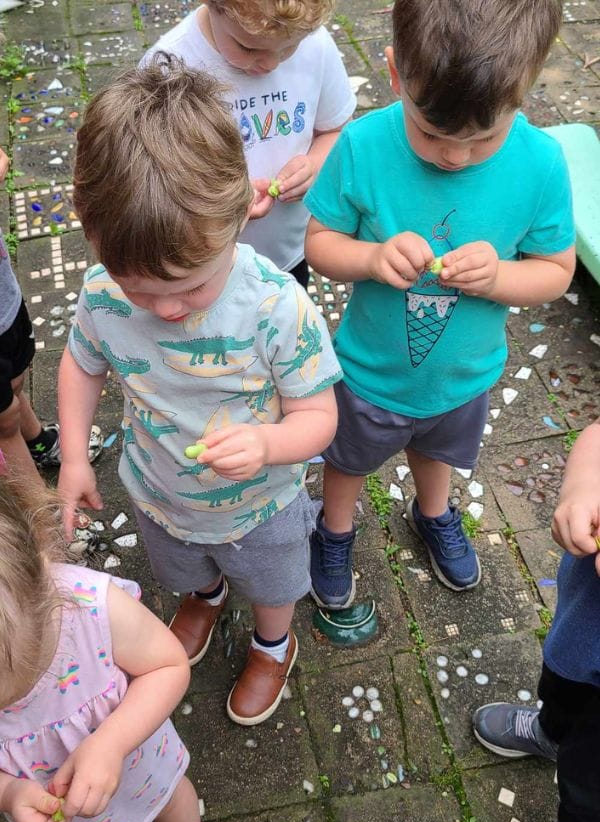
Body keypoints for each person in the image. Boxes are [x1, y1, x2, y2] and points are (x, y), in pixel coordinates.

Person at [57, 57, 341, 727]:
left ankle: (273, 642)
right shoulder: (103, 293)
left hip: (259, 505)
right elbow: (80, 364)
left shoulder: (275, 306)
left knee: (273, 585)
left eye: (190, 288)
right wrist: (73, 456)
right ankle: (204, 598)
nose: (168, 311)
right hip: (158, 490)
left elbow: (320, 417)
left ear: (242, 213)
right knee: (182, 565)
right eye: (141, 291)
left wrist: (270, 443)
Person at [304, 0, 576, 608]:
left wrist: (499, 276)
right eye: (430, 132)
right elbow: (320, 244)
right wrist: (372, 259)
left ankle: (433, 514)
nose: (454, 157)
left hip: (463, 377)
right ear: (396, 74)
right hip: (370, 374)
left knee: (438, 451)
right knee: (346, 461)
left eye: (484, 139)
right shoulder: (363, 145)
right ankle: (334, 529)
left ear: (525, 89)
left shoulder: (540, 165)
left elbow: (555, 273)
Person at [0, 475, 217, 822]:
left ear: (41, 578)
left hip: (137, 757)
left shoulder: (87, 605)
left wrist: (111, 743)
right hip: (39, 789)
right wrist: (9, 792)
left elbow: (169, 665)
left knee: (170, 799)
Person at [141, 0, 356, 289]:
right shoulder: (170, 66)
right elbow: (150, 180)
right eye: (248, 48)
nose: (270, 64)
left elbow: (335, 130)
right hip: (203, 265)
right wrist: (224, 202)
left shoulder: (314, 43)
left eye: (287, 49)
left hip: (287, 254)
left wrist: (315, 165)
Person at [473, 418, 600, 822]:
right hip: (586, 627)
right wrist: (583, 487)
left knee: (592, 774)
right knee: (562, 687)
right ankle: (553, 732)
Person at [0, 148, 103, 480]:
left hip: (4, 301)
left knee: (16, 380)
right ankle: (43, 525)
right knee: (4, 421)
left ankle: (38, 443)